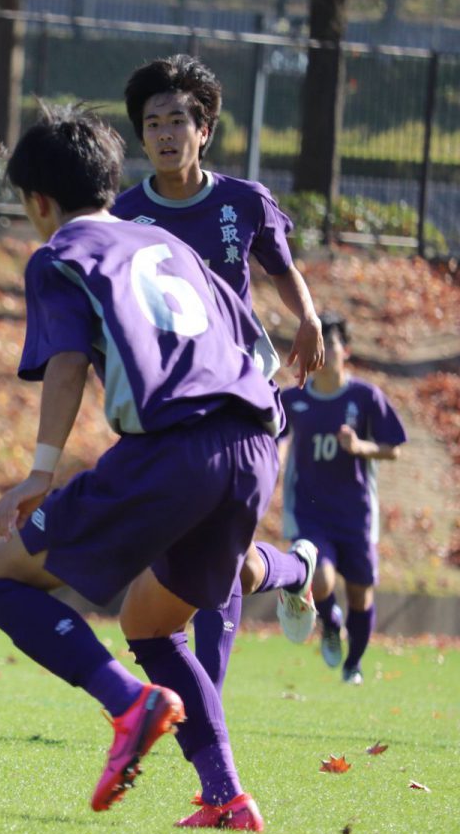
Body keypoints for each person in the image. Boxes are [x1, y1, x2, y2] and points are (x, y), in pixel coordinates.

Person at [0, 104, 282, 831]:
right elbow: (258, 350)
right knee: (151, 624)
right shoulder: (172, 245)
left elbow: (68, 361)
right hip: (252, 443)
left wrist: (40, 472)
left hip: (172, 450)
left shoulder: (60, 254)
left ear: (39, 203)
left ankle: (129, 703)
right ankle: (225, 794)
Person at [113, 54, 325, 688]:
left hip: (242, 389)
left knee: (218, 542)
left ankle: (206, 693)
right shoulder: (124, 216)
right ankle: (293, 571)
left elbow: (281, 271)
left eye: (178, 120)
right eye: (153, 124)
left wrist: (308, 318)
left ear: (203, 130)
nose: (166, 134)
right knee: (212, 554)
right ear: (142, 136)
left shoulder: (243, 201)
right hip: (171, 400)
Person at [280, 312, 407, 685]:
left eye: (331, 344)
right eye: (318, 346)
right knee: (319, 579)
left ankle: (354, 664)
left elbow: (393, 448)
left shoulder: (364, 396)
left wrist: (359, 446)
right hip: (310, 512)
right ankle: (330, 621)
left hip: (356, 514)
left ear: (344, 351)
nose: (324, 352)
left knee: (361, 597)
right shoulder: (293, 399)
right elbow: (276, 441)